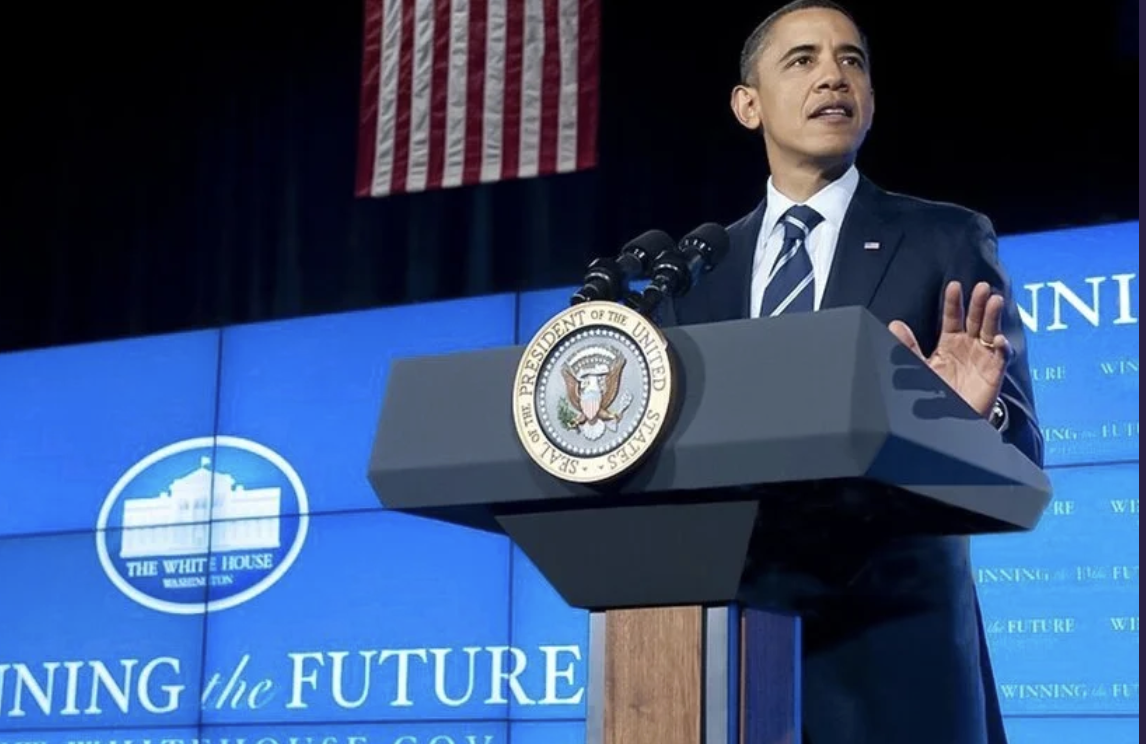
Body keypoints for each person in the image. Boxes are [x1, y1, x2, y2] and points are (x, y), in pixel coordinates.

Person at [660, 1, 1043, 743]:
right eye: (801, 60)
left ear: (869, 97)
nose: (832, 76)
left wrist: (970, 423)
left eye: (851, 60)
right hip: (732, 648)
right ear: (747, 105)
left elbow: (1022, 454)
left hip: (898, 655)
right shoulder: (696, 273)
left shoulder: (943, 238)